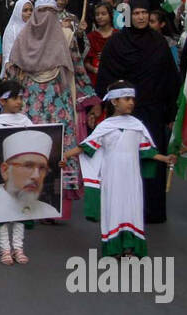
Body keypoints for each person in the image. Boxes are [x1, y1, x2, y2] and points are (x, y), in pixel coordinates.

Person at [3, 0, 97, 219]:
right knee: (31, 153)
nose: (45, 17)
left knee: (58, 154)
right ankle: (26, 203)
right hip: (29, 108)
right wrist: (6, 100)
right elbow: (12, 74)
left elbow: (78, 69)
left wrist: (91, 102)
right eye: (41, 11)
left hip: (59, 108)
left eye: (50, 11)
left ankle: (55, 208)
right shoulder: (23, 39)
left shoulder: (66, 37)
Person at [95, 0, 180, 225]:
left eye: (145, 13)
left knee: (150, 159)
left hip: (152, 112)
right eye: (137, 13)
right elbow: (105, 79)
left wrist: (171, 111)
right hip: (124, 114)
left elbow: (170, 79)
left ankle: (152, 210)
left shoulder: (158, 42)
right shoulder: (117, 43)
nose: (141, 17)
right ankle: (123, 210)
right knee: (124, 161)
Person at [67, 83, 174, 257]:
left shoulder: (137, 125)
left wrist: (165, 158)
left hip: (132, 177)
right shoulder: (105, 126)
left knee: (132, 208)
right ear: (115, 101)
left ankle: (130, 247)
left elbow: (147, 150)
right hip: (112, 176)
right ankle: (114, 248)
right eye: (127, 99)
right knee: (114, 209)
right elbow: (87, 147)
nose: (131, 102)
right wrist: (66, 155)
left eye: (132, 99)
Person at [0, 81, 39, 263]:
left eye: (21, 98)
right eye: (14, 98)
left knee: (19, 210)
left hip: (21, 175)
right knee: (2, 211)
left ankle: (18, 247)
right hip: (2, 175)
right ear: (2, 101)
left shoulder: (26, 121)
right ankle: (5, 249)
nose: (19, 102)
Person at [83, 2, 116, 85]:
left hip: (114, 75)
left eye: (103, 14)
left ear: (110, 15)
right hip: (95, 77)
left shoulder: (118, 35)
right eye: (97, 14)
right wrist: (94, 69)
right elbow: (85, 61)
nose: (100, 17)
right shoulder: (90, 37)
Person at [0, 0, 32, 69]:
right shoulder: (11, 29)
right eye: (25, 10)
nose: (29, 13)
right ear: (18, 12)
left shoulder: (35, 27)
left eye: (31, 10)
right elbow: (8, 52)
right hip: (16, 68)